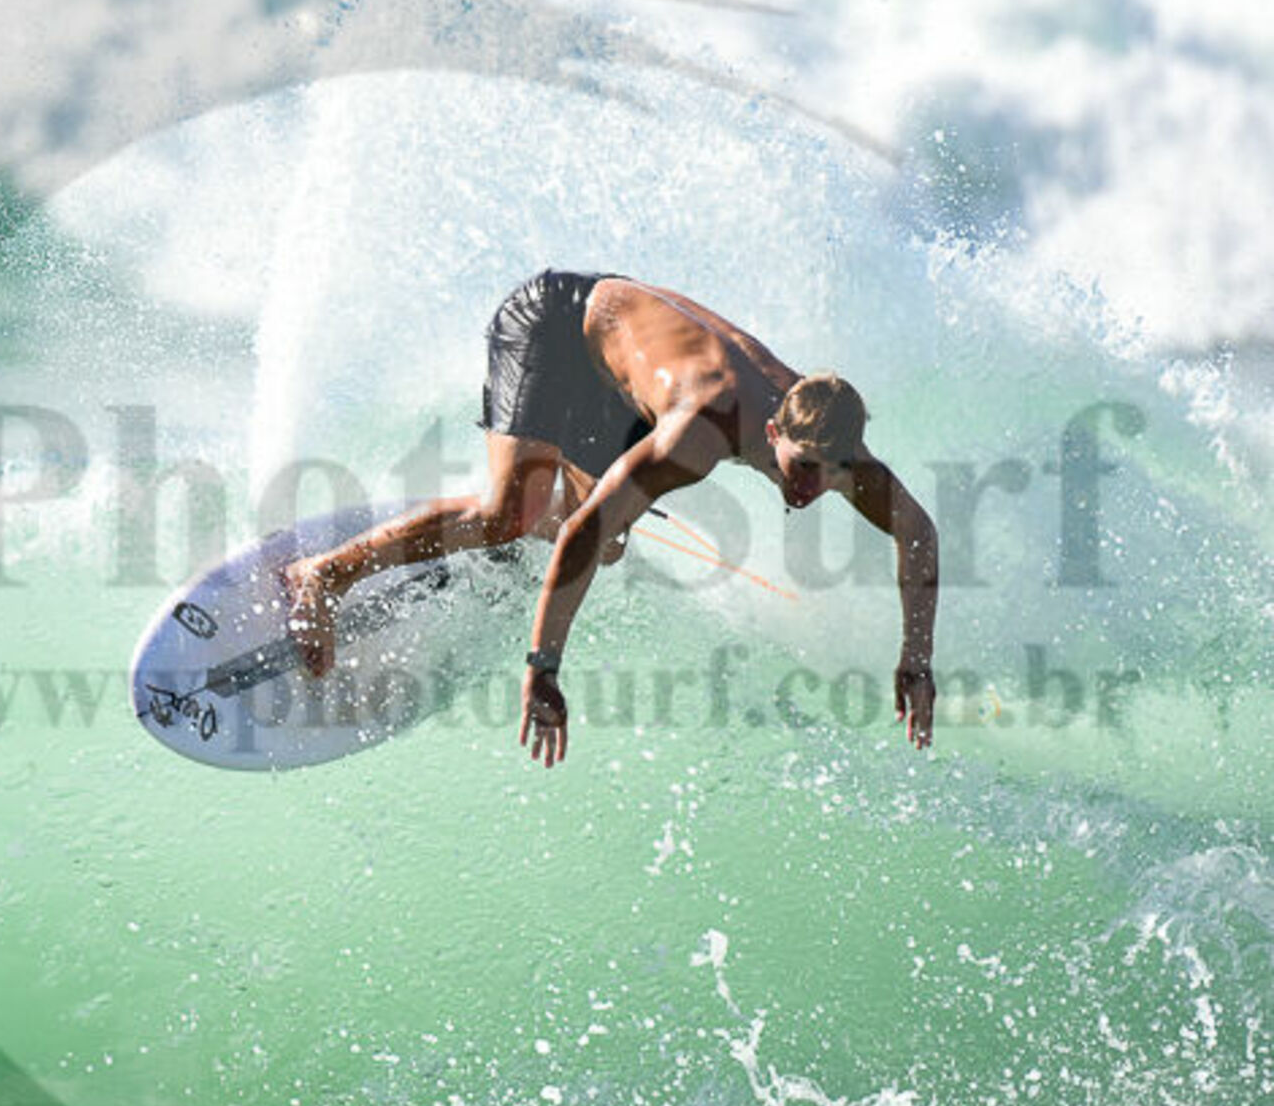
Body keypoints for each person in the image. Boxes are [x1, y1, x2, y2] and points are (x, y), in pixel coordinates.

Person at [279, 269, 940, 765]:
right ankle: (323, 574)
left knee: (610, 544)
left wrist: (916, 658)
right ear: (773, 432)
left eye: (829, 476)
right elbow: (582, 532)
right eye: (801, 468)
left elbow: (918, 533)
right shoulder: (700, 433)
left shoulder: (838, 449)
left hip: (621, 377)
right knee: (517, 514)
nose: (810, 489)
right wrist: (543, 667)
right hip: (555, 325)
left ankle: (495, 544)